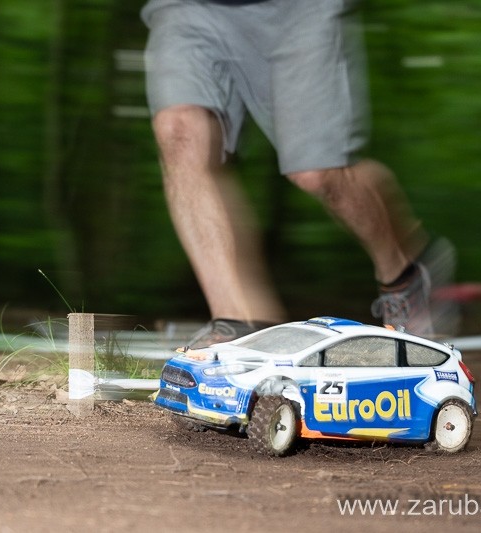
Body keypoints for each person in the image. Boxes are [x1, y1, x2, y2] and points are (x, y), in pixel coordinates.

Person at [141, 0, 456, 347]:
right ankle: (241, 326)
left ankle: (405, 273)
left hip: (297, 10)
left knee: (318, 173)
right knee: (179, 131)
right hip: (187, 7)